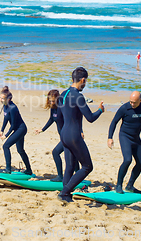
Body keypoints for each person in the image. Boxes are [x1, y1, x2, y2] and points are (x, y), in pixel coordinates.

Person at [57, 67, 105, 203]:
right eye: (86, 82)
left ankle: (65, 195)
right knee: (87, 166)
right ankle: (65, 192)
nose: (85, 84)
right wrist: (100, 110)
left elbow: (59, 117)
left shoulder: (63, 94)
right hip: (73, 135)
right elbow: (90, 117)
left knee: (70, 166)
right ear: (82, 80)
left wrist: (63, 132)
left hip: (64, 134)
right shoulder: (78, 96)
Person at [108, 91, 141, 194]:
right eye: (131, 101)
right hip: (125, 136)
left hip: (136, 138)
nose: (132, 104)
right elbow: (114, 122)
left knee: (140, 163)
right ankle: (118, 185)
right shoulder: (124, 108)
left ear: (140, 100)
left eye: (134, 102)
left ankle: (130, 185)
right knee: (127, 160)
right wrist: (110, 137)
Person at [35, 90, 82, 182]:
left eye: (53, 101)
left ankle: (61, 176)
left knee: (56, 152)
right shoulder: (53, 107)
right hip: (63, 137)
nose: (52, 102)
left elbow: (74, 118)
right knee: (73, 155)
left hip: (69, 136)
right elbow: (51, 119)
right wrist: (42, 129)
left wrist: (80, 131)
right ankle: (77, 175)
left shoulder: (63, 108)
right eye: (50, 101)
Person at [0, 86, 32, 175]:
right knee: (20, 150)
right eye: (0, 98)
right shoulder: (5, 106)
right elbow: (6, 118)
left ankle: (8, 169)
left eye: (3, 98)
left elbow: (13, 125)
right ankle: (29, 170)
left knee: (6, 146)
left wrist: (6, 135)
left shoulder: (13, 108)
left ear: (8, 99)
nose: (1, 100)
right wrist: (2, 130)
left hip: (21, 129)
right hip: (17, 129)